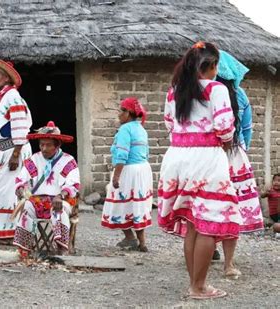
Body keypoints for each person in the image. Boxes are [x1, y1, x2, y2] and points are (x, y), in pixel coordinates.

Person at [157, 42, 242, 299]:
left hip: (177, 158)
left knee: (192, 223)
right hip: (207, 158)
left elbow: (169, 124)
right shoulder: (217, 89)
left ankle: (194, 284)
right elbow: (225, 127)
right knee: (208, 223)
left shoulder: (175, 90)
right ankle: (199, 287)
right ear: (212, 66)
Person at [213, 50, 263, 278]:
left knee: (207, 204)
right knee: (233, 208)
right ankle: (229, 264)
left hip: (209, 155)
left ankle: (208, 248)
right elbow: (247, 131)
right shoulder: (240, 95)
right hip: (235, 156)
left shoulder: (205, 92)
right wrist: (241, 150)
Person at [0, 57, 32, 244]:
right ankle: (8, 231)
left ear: (7, 79)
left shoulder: (12, 97)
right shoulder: (3, 98)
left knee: (8, 191)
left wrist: (16, 154)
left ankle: (10, 232)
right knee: (4, 190)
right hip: (8, 149)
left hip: (13, 150)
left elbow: (20, 125)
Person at [13, 121, 80, 257]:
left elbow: (73, 185)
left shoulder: (68, 161)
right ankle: (25, 248)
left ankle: (62, 250)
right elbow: (20, 180)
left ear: (57, 145)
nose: (44, 148)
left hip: (61, 200)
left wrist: (60, 196)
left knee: (58, 210)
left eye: (48, 145)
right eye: (41, 145)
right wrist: (20, 189)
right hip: (38, 201)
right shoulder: (34, 159)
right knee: (26, 207)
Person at [101, 97, 153, 252]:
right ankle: (142, 242)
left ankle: (130, 238)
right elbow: (147, 152)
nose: (118, 114)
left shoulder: (125, 129)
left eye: (121, 110)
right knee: (137, 205)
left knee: (118, 203)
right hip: (143, 170)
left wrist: (116, 177)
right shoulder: (141, 129)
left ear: (128, 113)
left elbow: (122, 155)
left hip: (128, 170)